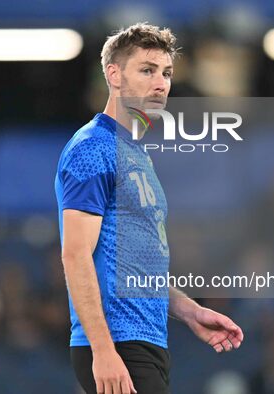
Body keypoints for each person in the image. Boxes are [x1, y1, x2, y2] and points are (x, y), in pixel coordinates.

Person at [55, 23, 244, 394]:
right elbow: (75, 255)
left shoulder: (137, 154)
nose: (161, 83)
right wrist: (104, 351)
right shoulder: (93, 148)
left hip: (147, 342)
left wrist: (190, 311)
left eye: (166, 73)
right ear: (114, 75)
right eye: (147, 70)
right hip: (118, 344)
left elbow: (136, 266)